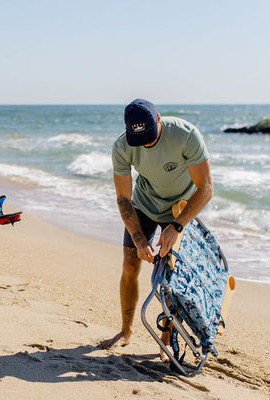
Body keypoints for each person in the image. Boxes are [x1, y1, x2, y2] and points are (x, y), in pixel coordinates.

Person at [99, 99, 213, 360]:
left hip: (181, 209)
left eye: (150, 137)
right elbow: (123, 199)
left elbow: (205, 189)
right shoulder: (122, 146)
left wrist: (177, 225)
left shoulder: (186, 135)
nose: (146, 144)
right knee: (130, 264)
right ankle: (125, 331)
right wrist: (140, 241)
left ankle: (166, 337)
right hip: (145, 205)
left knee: (172, 276)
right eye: (140, 139)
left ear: (159, 119)